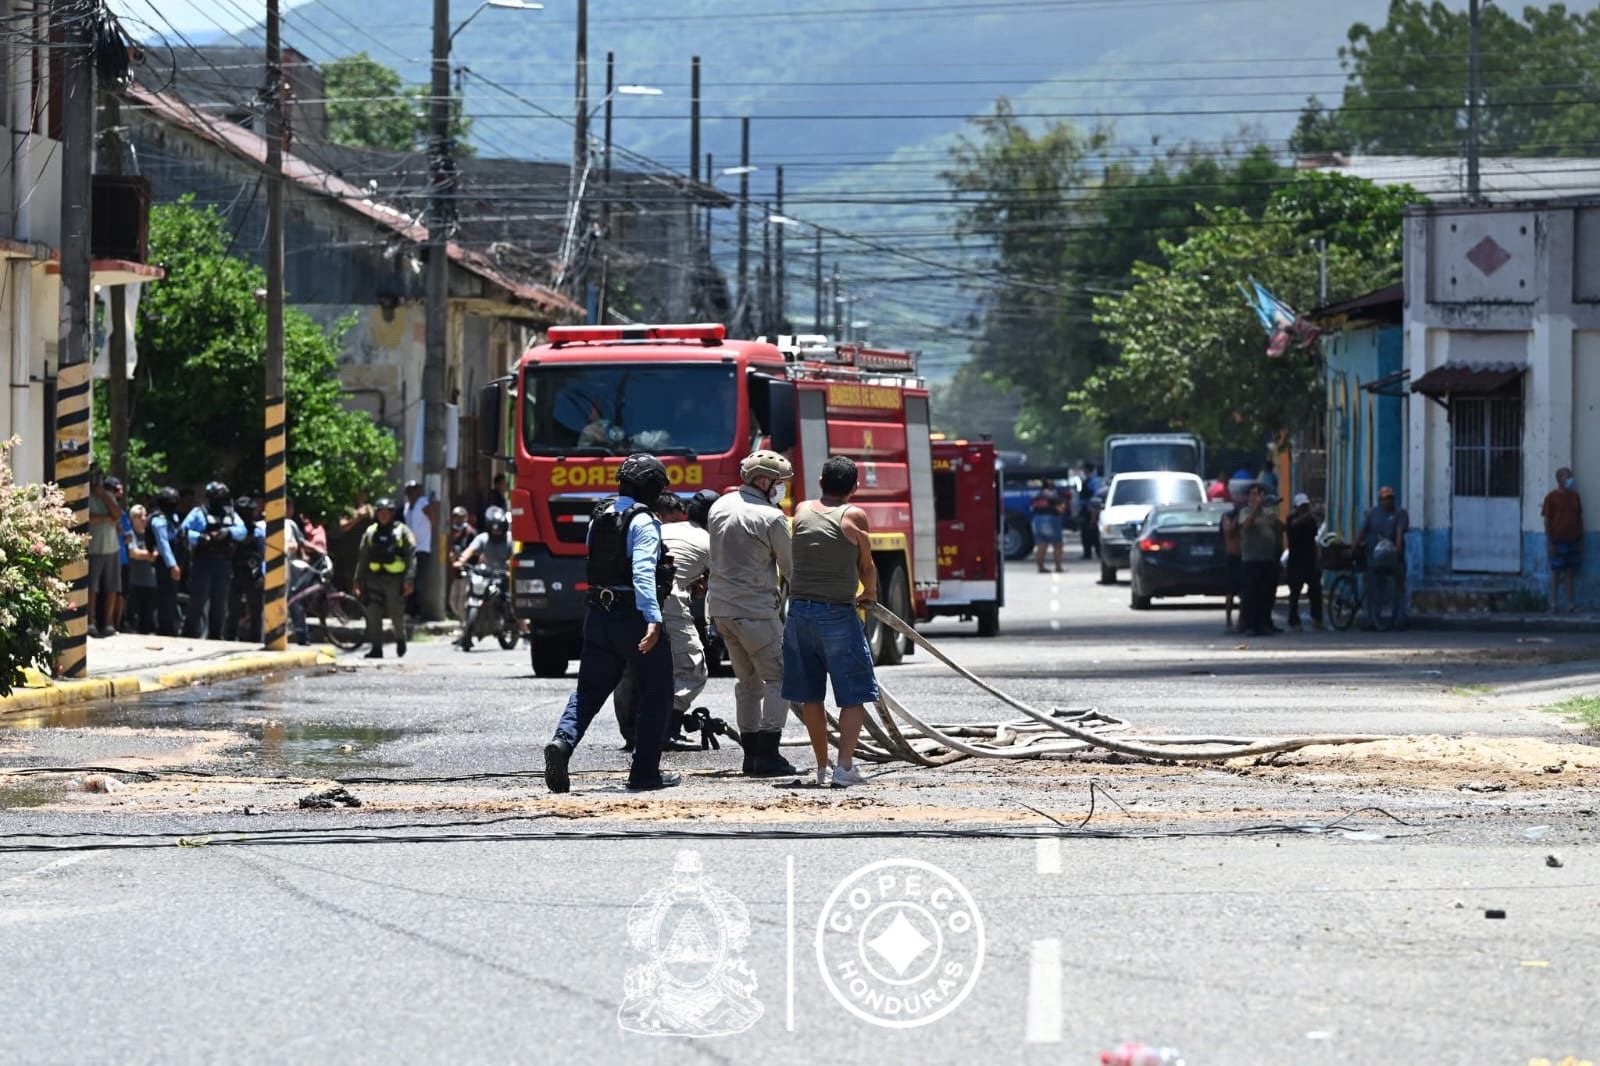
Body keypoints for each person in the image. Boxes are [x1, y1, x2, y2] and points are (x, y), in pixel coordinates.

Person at [543, 454, 679, 794]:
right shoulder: (644, 521)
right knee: (657, 692)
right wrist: (653, 617)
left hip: (598, 615)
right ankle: (645, 773)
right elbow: (643, 572)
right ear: (650, 488)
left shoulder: (599, 516)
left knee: (588, 690)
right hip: (633, 616)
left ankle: (563, 742)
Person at [786, 456, 881, 788]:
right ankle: (844, 769)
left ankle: (822, 767)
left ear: (821, 482)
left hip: (798, 613)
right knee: (853, 693)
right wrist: (868, 594)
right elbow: (866, 566)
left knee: (811, 695)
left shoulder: (801, 510)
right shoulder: (854, 515)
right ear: (855, 487)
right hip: (837, 613)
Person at [707, 449, 798, 777]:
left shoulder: (719, 506)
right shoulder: (771, 517)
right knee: (780, 678)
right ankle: (769, 756)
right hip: (756, 612)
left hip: (721, 610)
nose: (781, 489)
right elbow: (791, 569)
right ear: (763, 480)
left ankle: (750, 756)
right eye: (779, 482)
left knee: (747, 682)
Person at [354, 497, 415, 659]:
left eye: (386, 512)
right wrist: (358, 581)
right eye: (380, 512)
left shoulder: (402, 531)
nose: (383, 515)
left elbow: (411, 556)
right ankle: (376, 648)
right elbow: (363, 557)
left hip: (394, 581)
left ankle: (400, 639)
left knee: (396, 614)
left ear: (392, 513)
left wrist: (409, 580)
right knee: (374, 614)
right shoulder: (370, 532)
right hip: (374, 579)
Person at [182, 482, 245, 639]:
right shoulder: (198, 513)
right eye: (217, 498)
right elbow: (183, 531)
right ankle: (190, 633)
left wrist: (228, 532)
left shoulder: (231, 515)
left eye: (223, 498)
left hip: (223, 562)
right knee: (198, 600)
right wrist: (201, 538)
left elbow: (242, 531)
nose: (221, 501)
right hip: (203, 562)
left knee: (220, 601)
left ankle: (215, 635)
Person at [454, 505, 513, 649]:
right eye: (493, 528)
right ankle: (466, 633)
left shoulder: (510, 539)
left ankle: (523, 632)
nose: (496, 531)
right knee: (467, 597)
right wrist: (461, 561)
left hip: (502, 576)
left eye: (499, 528)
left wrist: (510, 566)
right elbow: (470, 550)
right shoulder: (483, 538)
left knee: (511, 604)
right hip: (485, 574)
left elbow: (515, 556)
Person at [1355, 485, 1410, 629]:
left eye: (1390, 498)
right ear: (1380, 500)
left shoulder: (1400, 513)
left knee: (1399, 587)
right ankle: (1371, 619)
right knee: (1373, 587)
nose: (1388, 501)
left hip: (1394, 555)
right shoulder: (1373, 514)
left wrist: (1397, 551)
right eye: (1385, 498)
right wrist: (1353, 547)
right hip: (1375, 555)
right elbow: (1362, 532)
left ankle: (1400, 619)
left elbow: (1399, 532)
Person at [1238, 482, 1283, 637]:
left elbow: (1278, 530)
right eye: (1255, 494)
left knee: (1266, 594)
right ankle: (1250, 625)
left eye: (1260, 494)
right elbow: (1246, 526)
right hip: (1251, 559)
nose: (1258, 497)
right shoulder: (1245, 511)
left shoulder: (1267, 513)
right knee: (1251, 594)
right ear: (1249, 497)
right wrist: (1257, 507)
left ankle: (1265, 623)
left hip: (1267, 559)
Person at [85, 469, 123, 637]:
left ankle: (108, 623)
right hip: (93, 548)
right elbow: (87, 518)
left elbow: (117, 514)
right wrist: (106, 518)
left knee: (111, 587)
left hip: (111, 548)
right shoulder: (85, 498)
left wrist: (104, 496)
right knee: (92, 588)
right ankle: (90, 621)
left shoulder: (109, 496)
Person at [1543, 466, 1584, 613]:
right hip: (1558, 540)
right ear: (1560, 479)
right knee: (1556, 573)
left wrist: (1581, 540)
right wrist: (1550, 543)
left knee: (1569, 573)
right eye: (1567, 476)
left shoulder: (1575, 497)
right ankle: (1553, 603)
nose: (1570, 479)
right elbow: (1547, 521)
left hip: (1573, 539)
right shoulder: (1551, 498)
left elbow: (1579, 518)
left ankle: (1569, 604)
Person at [226, 495, 266, 643]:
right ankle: (229, 639)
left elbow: (263, 555)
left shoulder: (258, 531)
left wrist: (262, 574)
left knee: (256, 611)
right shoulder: (233, 532)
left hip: (253, 575)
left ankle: (256, 640)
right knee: (233, 611)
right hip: (235, 573)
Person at [150, 486, 186, 636]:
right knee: (165, 595)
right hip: (165, 564)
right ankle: (164, 627)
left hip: (176, 562)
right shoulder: (159, 520)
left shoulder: (174, 518)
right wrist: (172, 565)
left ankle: (171, 625)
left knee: (172, 595)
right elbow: (163, 544)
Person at [1285, 492, 1322, 630]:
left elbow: (1314, 538)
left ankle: (1317, 619)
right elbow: (1293, 526)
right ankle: (1294, 620)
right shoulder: (1291, 518)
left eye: (1306, 506)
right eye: (1302, 506)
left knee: (1315, 590)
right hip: (1295, 561)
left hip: (1309, 560)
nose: (1305, 509)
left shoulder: (1311, 521)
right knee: (1295, 592)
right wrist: (1309, 514)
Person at [123, 505, 160, 635]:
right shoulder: (130, 533)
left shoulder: (150, 534)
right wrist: (148, 555)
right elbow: (133, 553)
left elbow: (156, 554)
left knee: (147, 613)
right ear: (132, 519)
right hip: (134, 580)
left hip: (150, 580)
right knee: (133, 613)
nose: (143, 518)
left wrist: (147, 555)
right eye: (139, 516)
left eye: (145, 515)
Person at [403, 480, 435, 618]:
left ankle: (418, 611)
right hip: (410, 548)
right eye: (409, 490)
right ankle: (409, 609)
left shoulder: (422, 503)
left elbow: (433, 518)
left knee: (419, 581)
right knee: (409, 579)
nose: (411, 493)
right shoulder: (406, 506)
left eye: (414, 490)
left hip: (422, 547)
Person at [446, 505, 478, 622]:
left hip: (467, 571)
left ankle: (465, 630)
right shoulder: (452, 532)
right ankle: (463, 624)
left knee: (462, 603)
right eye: (455, 516)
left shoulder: (471, 533)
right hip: (456, 573)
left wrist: (464, 559)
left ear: (465, 517)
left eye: (459, 517)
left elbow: (476, 552)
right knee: (453, 602)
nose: (457, 519)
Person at [1219, 496, 1244, 634]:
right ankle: (1228, 620)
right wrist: (1238, 517)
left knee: (1243, 592)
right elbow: (1229, 531)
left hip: (1243, 557)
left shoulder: (1244, 516)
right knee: (1230, 592)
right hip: (1231, 557)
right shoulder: (1227, 517)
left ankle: (1241, 621)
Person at [1030, 485, 1066, 573]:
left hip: (1037, 520)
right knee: (1057, 545)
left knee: (1041, 545)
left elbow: (1032, 508)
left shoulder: (1037, 496)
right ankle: (1058, 567)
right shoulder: (1054, 496)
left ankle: (1040, 567)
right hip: (1051, 520)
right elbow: (1060, 509)